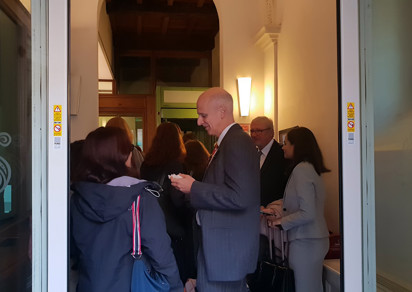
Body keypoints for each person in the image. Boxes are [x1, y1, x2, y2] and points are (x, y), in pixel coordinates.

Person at [70, 127, 182, 292]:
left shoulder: (77, 199)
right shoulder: (140, 198)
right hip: (131, 285)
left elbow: (71, 249)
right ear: (124, 156)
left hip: (89, 285)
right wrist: (176, 286)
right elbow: (160, 252)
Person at [170, 87, 260, 292]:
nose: (199, 122)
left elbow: (240, 197)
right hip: (222, 252)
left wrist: (194, 187)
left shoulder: (236, 141)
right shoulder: (229, 141)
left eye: (203, 115)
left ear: (222, 111)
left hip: (226, 254)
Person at [265, 126, 330, 292]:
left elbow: (307, 212)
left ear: (297, 146)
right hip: (312, 239)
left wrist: (280, 221)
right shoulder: (310, 168)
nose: (283, 147)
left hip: (306, 240)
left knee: (305, 288)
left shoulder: (302, 169)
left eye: (286, 143)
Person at [140, 122, 196, 283]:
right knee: (178, 276)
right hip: (174, 229)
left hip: (150, 225)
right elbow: (178, 200)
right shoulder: (176, 165)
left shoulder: (146, 165)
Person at [250, 116, 287, 206]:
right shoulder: (250, 154)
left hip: (273, 214)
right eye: (252, 131)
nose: (254, 135)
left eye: (259, 131)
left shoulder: (283, 155)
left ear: (271, 132)